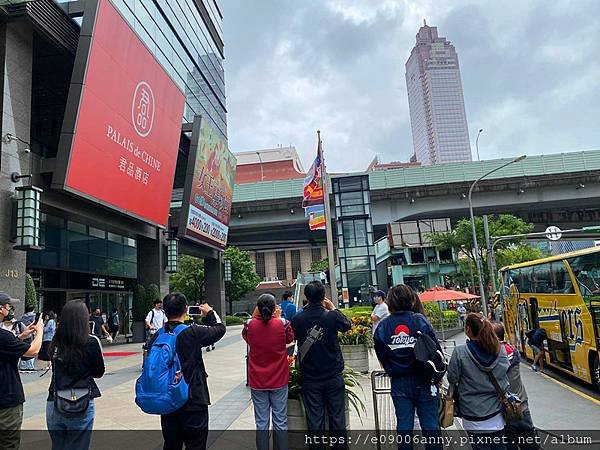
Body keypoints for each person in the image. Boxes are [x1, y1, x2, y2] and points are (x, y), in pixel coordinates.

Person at [150, 293, 225, 450]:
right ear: (185, 309)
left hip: (168, 400)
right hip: (193, 398)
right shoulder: (192, 332)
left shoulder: (158, 335)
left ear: (164, 310)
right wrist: (210, 313)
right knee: (196, 445)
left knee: (171, 444)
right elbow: (219, 329)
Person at [373, 284, 443, 450]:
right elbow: (436, 351)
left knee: (404, 428)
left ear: (390, 302)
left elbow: (382, 355)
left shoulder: (383, 327)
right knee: (431, 428)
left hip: (399, 382)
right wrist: (437, 377)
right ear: (411, 300)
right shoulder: (419, 320)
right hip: (425, 380)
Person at [291, 281, 351, 450]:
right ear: (323, 296)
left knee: (315, 418)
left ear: (306, 297)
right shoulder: (332, 316)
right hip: (333, 375)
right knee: (337, 416)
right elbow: (347, 325)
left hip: (310, 377)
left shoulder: (298, 318)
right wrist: (332, 307)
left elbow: (291, 337)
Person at [46, 301, 105, 450]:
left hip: (55, 400)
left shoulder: (56, 340)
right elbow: (99, 372)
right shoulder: (91, 341)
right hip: (81, 401)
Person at [448, 313, 510, 450]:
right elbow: (505, 379)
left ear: (468, 330)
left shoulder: (460, 352)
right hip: (496, 414)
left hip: (472, 415)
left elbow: (452, 378)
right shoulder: (500, 350)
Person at [243, 294, 295, 450]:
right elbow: (290, 339)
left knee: (261, 423)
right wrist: (278, 318)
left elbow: (247, 335)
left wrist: (257, 313)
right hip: (279, 379)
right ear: (274, 308)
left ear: (258, 309)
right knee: (280, 421)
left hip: (258, 381)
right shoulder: (283, 324)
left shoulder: (249, 326)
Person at [0, 292, 44, 450]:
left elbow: (6, 349)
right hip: (6, 400)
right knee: (8, 443)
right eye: (9, 307)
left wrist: (20, 337)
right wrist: (40, 331)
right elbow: (33, 351)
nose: (11, 310)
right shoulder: (3, 336)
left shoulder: (6, 338)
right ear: (1, 309)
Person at [493, 323, 540, 450]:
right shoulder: (513, 350)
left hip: (503, 410)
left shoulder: (491, 356)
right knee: (530, 443)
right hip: (521, 405)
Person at [17, 305, 37, 373]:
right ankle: (30, 366)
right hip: (30, 335)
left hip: (23, 335)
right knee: (31, 349)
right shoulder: (34, 317)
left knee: (24, 349)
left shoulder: (22, 317)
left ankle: (23, 365)